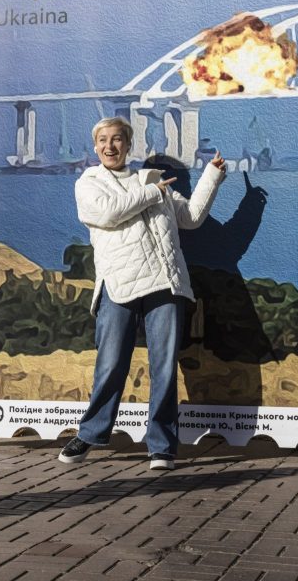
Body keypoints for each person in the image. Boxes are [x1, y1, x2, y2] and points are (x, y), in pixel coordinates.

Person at [58, 117, 225, 471]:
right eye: (103, 140)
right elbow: (106, 213)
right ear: (95, 147)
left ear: (128, 144)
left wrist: (211, 176)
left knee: (163, 367)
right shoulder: (90, 182)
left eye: (117, 139)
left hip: (165, 282)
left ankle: (162, 446)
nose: (110, 146)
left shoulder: (153, 179)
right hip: (118, 284)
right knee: (111, 365)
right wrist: (152, 193)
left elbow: (192, 218)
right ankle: (90, 434)